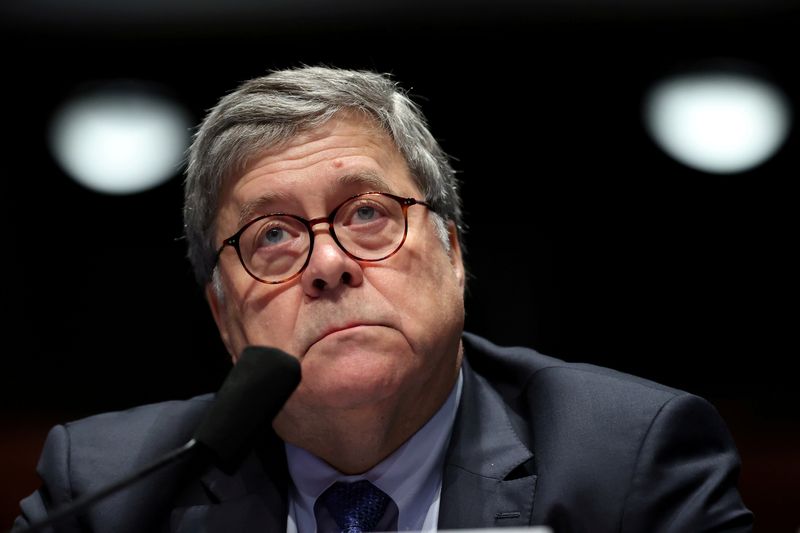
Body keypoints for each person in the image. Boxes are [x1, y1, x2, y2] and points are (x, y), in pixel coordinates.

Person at [13, 65, 753, 533]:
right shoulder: (109, 489)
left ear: (454, 253)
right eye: (272, 235)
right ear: (222, 315)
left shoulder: (624, 460)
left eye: (367, 213)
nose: (329, 263)